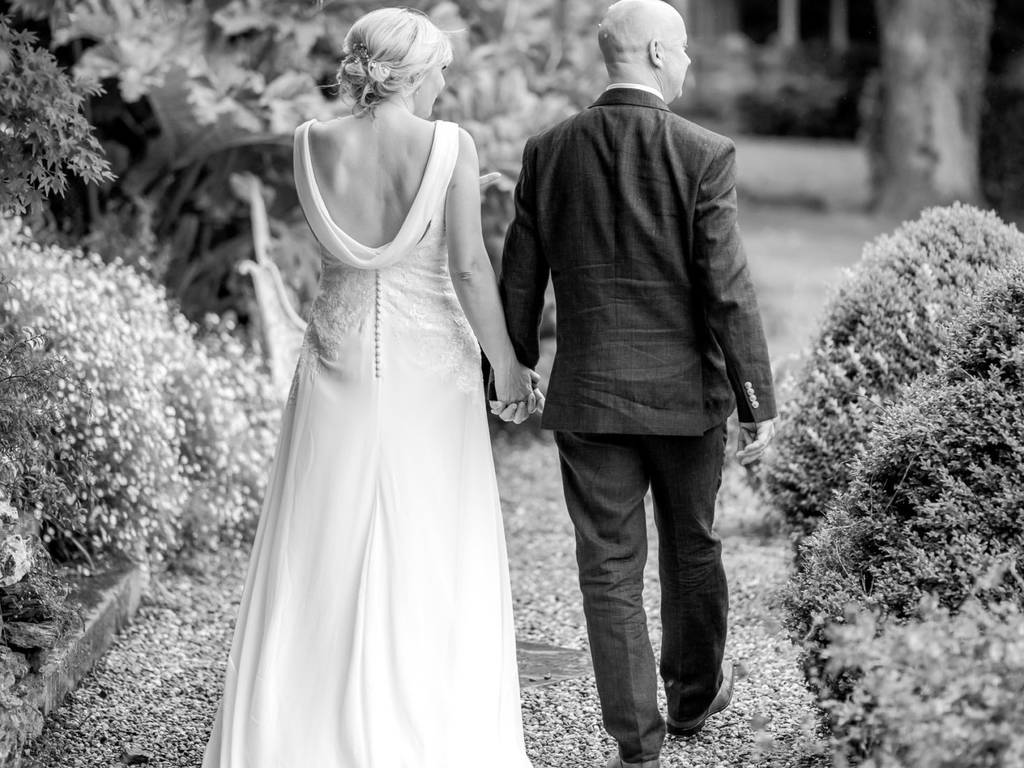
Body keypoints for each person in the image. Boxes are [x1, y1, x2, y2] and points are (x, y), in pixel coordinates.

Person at [201, 8, 538, 767]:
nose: (447, 79)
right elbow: (467, 268)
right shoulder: (449, 145)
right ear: (415, 71)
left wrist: (453, 189)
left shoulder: (309, 143)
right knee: (430, 539)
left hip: (338, 362)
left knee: (321, 538)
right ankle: (427, 729)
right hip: (431, 373)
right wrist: (510, 368)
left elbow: (363, 241)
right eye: (441, 67)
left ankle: (297, 734)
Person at [495, 1, 778, 767]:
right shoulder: (704, 152)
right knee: (694, 547)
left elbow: (520, 275)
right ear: (655, 52)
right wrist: (758, 401)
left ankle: (637, 743)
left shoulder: (548, 150)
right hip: (687, 399)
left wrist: (513, 369)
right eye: (682, 50)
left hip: (589, 395)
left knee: (608, 568)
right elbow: (727, 287)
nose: (689, 63)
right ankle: (691, 700)